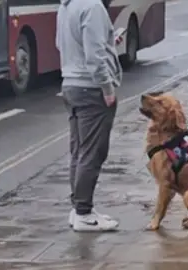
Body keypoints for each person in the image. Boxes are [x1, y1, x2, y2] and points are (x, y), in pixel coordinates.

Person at [56, 0, 122, 231]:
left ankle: (78, 210)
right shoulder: (92, 6)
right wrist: (107, 88)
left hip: (71, 85)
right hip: (91, 88)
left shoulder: (66, 6)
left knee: (78, 151)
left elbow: (61, 44)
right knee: (92, 153)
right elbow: (94, 56)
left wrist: (109, 44)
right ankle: (84, 213)